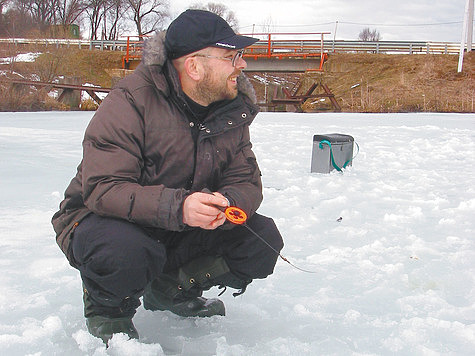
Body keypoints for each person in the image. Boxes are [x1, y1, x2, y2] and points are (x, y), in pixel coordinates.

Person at [52, 9, 284, 344]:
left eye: (240, 56)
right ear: (194, 65)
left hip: (181, 227)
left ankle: (170, 289)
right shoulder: (131, 101)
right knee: (124, 252)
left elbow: (246, 180)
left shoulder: (232, 109)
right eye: (231, 56)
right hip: (106, 222)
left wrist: (227, 203)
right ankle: (108, 309)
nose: (242, 65)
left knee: (260, 241)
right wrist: (179, 207)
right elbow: (102, 189)